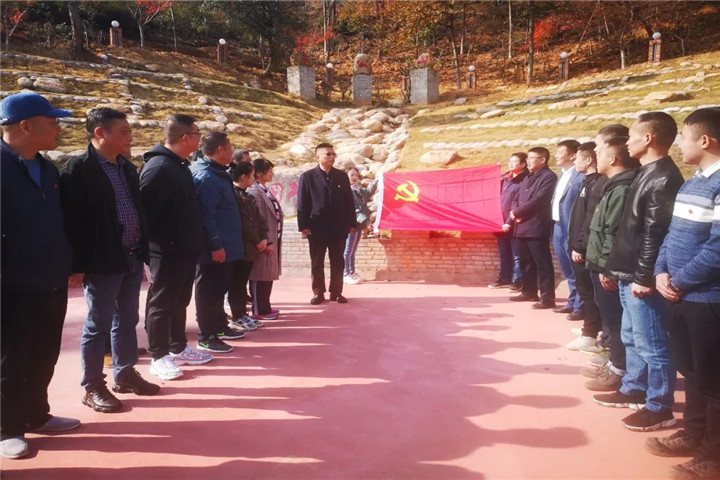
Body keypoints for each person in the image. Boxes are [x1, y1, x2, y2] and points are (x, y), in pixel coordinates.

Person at [60, 108, 159, 414]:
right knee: (98, 325)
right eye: (124, 131)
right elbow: (71, 220)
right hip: (101, 261)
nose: (130, 136)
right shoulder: (78, 169)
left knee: (127, 321)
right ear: (100, 133)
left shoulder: (126, 168)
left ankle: (125, 373)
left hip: (131, 257)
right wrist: (76, 265)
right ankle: (92, 386)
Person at [594, 111, 684, 432]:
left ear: (648, 138)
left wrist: (644, 277)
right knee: (632, 336)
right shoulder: (646, 172)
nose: (627, 142)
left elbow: (654, 233)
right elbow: (629, 230)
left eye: (631, 136)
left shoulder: (664, 178)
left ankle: (659, 406)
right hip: (628, 271)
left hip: (639, 276)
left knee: (652, 344)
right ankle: (635, 387)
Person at [1, 92, 80, 459]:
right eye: (52, 122)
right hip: (11, 285)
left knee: (44, 354)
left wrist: (69, 263)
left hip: (50, 279)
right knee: (10, 359)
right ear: (26, 126)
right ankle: (7, 429)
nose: (58, 128)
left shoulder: (48, 169)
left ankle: (36, 415)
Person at [649, 107, 720, 479]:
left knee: (714, 383)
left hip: (708, 300)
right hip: (680, 296)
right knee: (692, 373)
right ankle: (693, 435)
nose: (679, 145)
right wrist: (661, 271)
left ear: (704, 140)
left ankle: (713, 456)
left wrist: (678, 282)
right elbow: (672, 235)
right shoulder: (693, 182)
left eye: (684, 138)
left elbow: (717, 249)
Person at [140, 114, 212, 380]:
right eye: (197, 133)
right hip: (165, 252)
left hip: (184, 250)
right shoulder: (159, 168)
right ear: (185, 137)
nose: (199, 139)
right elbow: (146, 214)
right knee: (161, 303)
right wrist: (158, 246)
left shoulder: (179, 166)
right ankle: (158, 355)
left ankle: (177, 346)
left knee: (179, 301)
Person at [582, 128, 637, 393]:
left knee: (617, 323)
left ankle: (619, 370)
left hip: (607, 268)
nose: (596, 157)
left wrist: (607, 266)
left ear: (613, 158)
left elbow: (613, 233)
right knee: (612, 321)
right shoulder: (614, 186)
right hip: (600, 265)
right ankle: (616, 364)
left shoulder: (622, 189)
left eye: (601, 152)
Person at [190, 132, 246, 353]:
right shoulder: (206, 177)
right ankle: (207, 335)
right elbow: (207, 216)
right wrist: (215, 246)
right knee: (209, 292)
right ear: (220, 149)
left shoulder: (218, 173)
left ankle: (220, 326)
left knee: (219, 289)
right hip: (214, 249)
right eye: (230, 147)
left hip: (227, 246)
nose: (232, 151)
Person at [297, 143, 355, 305]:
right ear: (318, 157)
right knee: (317, 262)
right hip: (316, 227)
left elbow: (349, 201)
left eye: (333, 154)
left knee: (338, 261)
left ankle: (336, 292)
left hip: (338, 227)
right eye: (328, 154)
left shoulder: (341, 176)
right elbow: (302, 203)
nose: (332, 157)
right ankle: (318, 292)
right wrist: (303, 226)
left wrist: (351, 222)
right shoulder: (308, 177)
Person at [566, 142, 606, 352]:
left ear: (589, 160)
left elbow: (590, 220)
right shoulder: (586, 181)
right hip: (579, 245)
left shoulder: (597, 183)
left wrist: (580, 246)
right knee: (586, 292)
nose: (575, 162)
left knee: (589, 294)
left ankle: (590, 334)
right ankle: (591, 327)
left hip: (584, 249)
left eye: (578, 159)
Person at [507, 147, 558, 309]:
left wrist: (518, 212)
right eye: (527, 158)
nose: (528, 161)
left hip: (536, 225)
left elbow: (539, 200)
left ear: (542, 160)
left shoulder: (548, 177)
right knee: (525, 262)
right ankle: (528, 291)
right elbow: (516, 198)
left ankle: (547, 297)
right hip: (521, 224)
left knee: (542, 263)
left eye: (531, 158)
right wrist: (515, 212)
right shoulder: (528, 177)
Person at [228, 161, 268, 331]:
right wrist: (258, 241)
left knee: (242, 283)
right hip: (242, 248)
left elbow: (259, 220)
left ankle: (242, 314)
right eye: (252, 176)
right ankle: (237, 316)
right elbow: (244, 224)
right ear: (243, 177)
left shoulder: (248, 196)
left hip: (252, 248)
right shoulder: (234, 195)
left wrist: (264, 238)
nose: (254, 179)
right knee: (237, 285)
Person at [551, 140, 585, 320]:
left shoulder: (579, 176)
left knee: (575, 267)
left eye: (560, 152)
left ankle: (580, 306)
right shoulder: (562, 175)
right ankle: (572, 302)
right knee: (567, 268)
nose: (556, 155)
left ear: (572, 155)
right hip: (557, 226)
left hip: (570, 227)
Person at [248, 158, 284, 320]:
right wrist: (266, 240)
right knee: (259, 275)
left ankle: (265, 306)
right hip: (264, 242)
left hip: (272, 239)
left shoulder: (265, 190)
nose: (272, 174)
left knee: (267, 275)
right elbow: (258, 220)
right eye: (269, 171)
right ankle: (258, 309)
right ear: (259, 173)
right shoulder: (255, 192)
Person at [492, 153, 529, 291]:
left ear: (523, 164)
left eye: (514, 161)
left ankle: (518, 280)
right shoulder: (506, 179)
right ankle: (504, 278)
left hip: (515, 223)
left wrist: (509, 221)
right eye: (510, 161)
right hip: (500, 223)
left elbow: (518, 203)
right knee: (504, 253)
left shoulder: (525, 180)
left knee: (517, 255)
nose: (511, 163)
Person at [344, 167, 377, 285]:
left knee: (353, 250)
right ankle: (346, 274)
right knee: (348, 251)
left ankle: (352, 272)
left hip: (358, 225)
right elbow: (356, 210)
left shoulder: (357, 190)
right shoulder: (346, 192)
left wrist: (377, 180)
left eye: (356, 175)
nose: (354, 177)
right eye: (351, 175)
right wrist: (367, 222)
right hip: (350, 225)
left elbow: (368, 192)